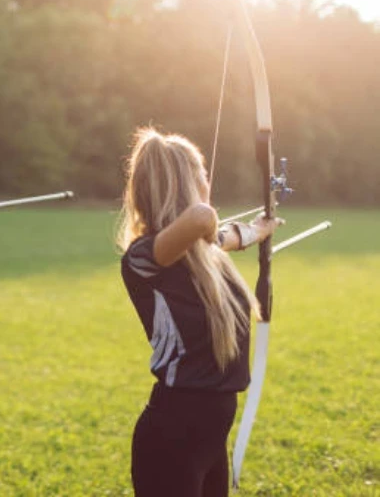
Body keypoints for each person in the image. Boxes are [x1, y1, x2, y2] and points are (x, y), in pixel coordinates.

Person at [117, 127, 282, 497]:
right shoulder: (144, 259)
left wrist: (259, 229)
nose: (208, 182)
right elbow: (201, 219)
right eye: (202, 175)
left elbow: (226, 236)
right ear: (185, 184)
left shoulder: (201, 254)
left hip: (208, 438)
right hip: (172, 439)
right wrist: (210, 224)